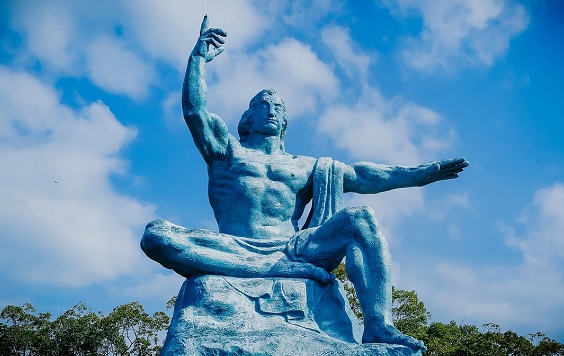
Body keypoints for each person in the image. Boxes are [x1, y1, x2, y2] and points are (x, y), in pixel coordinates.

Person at [141, 16, 468, 350]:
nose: (270, 110)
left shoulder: (307, 167)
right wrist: (198, 59)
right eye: (261, 105)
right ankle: (271, 268)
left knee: (362, 219)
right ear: (248, 118)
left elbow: (365, 176)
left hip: (294, 248)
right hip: (236, 245)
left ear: (285, 121)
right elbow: (196, 112)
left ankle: (379, 325)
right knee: (156, 236)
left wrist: (418, 175)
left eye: (278, 107)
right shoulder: (228, 153)